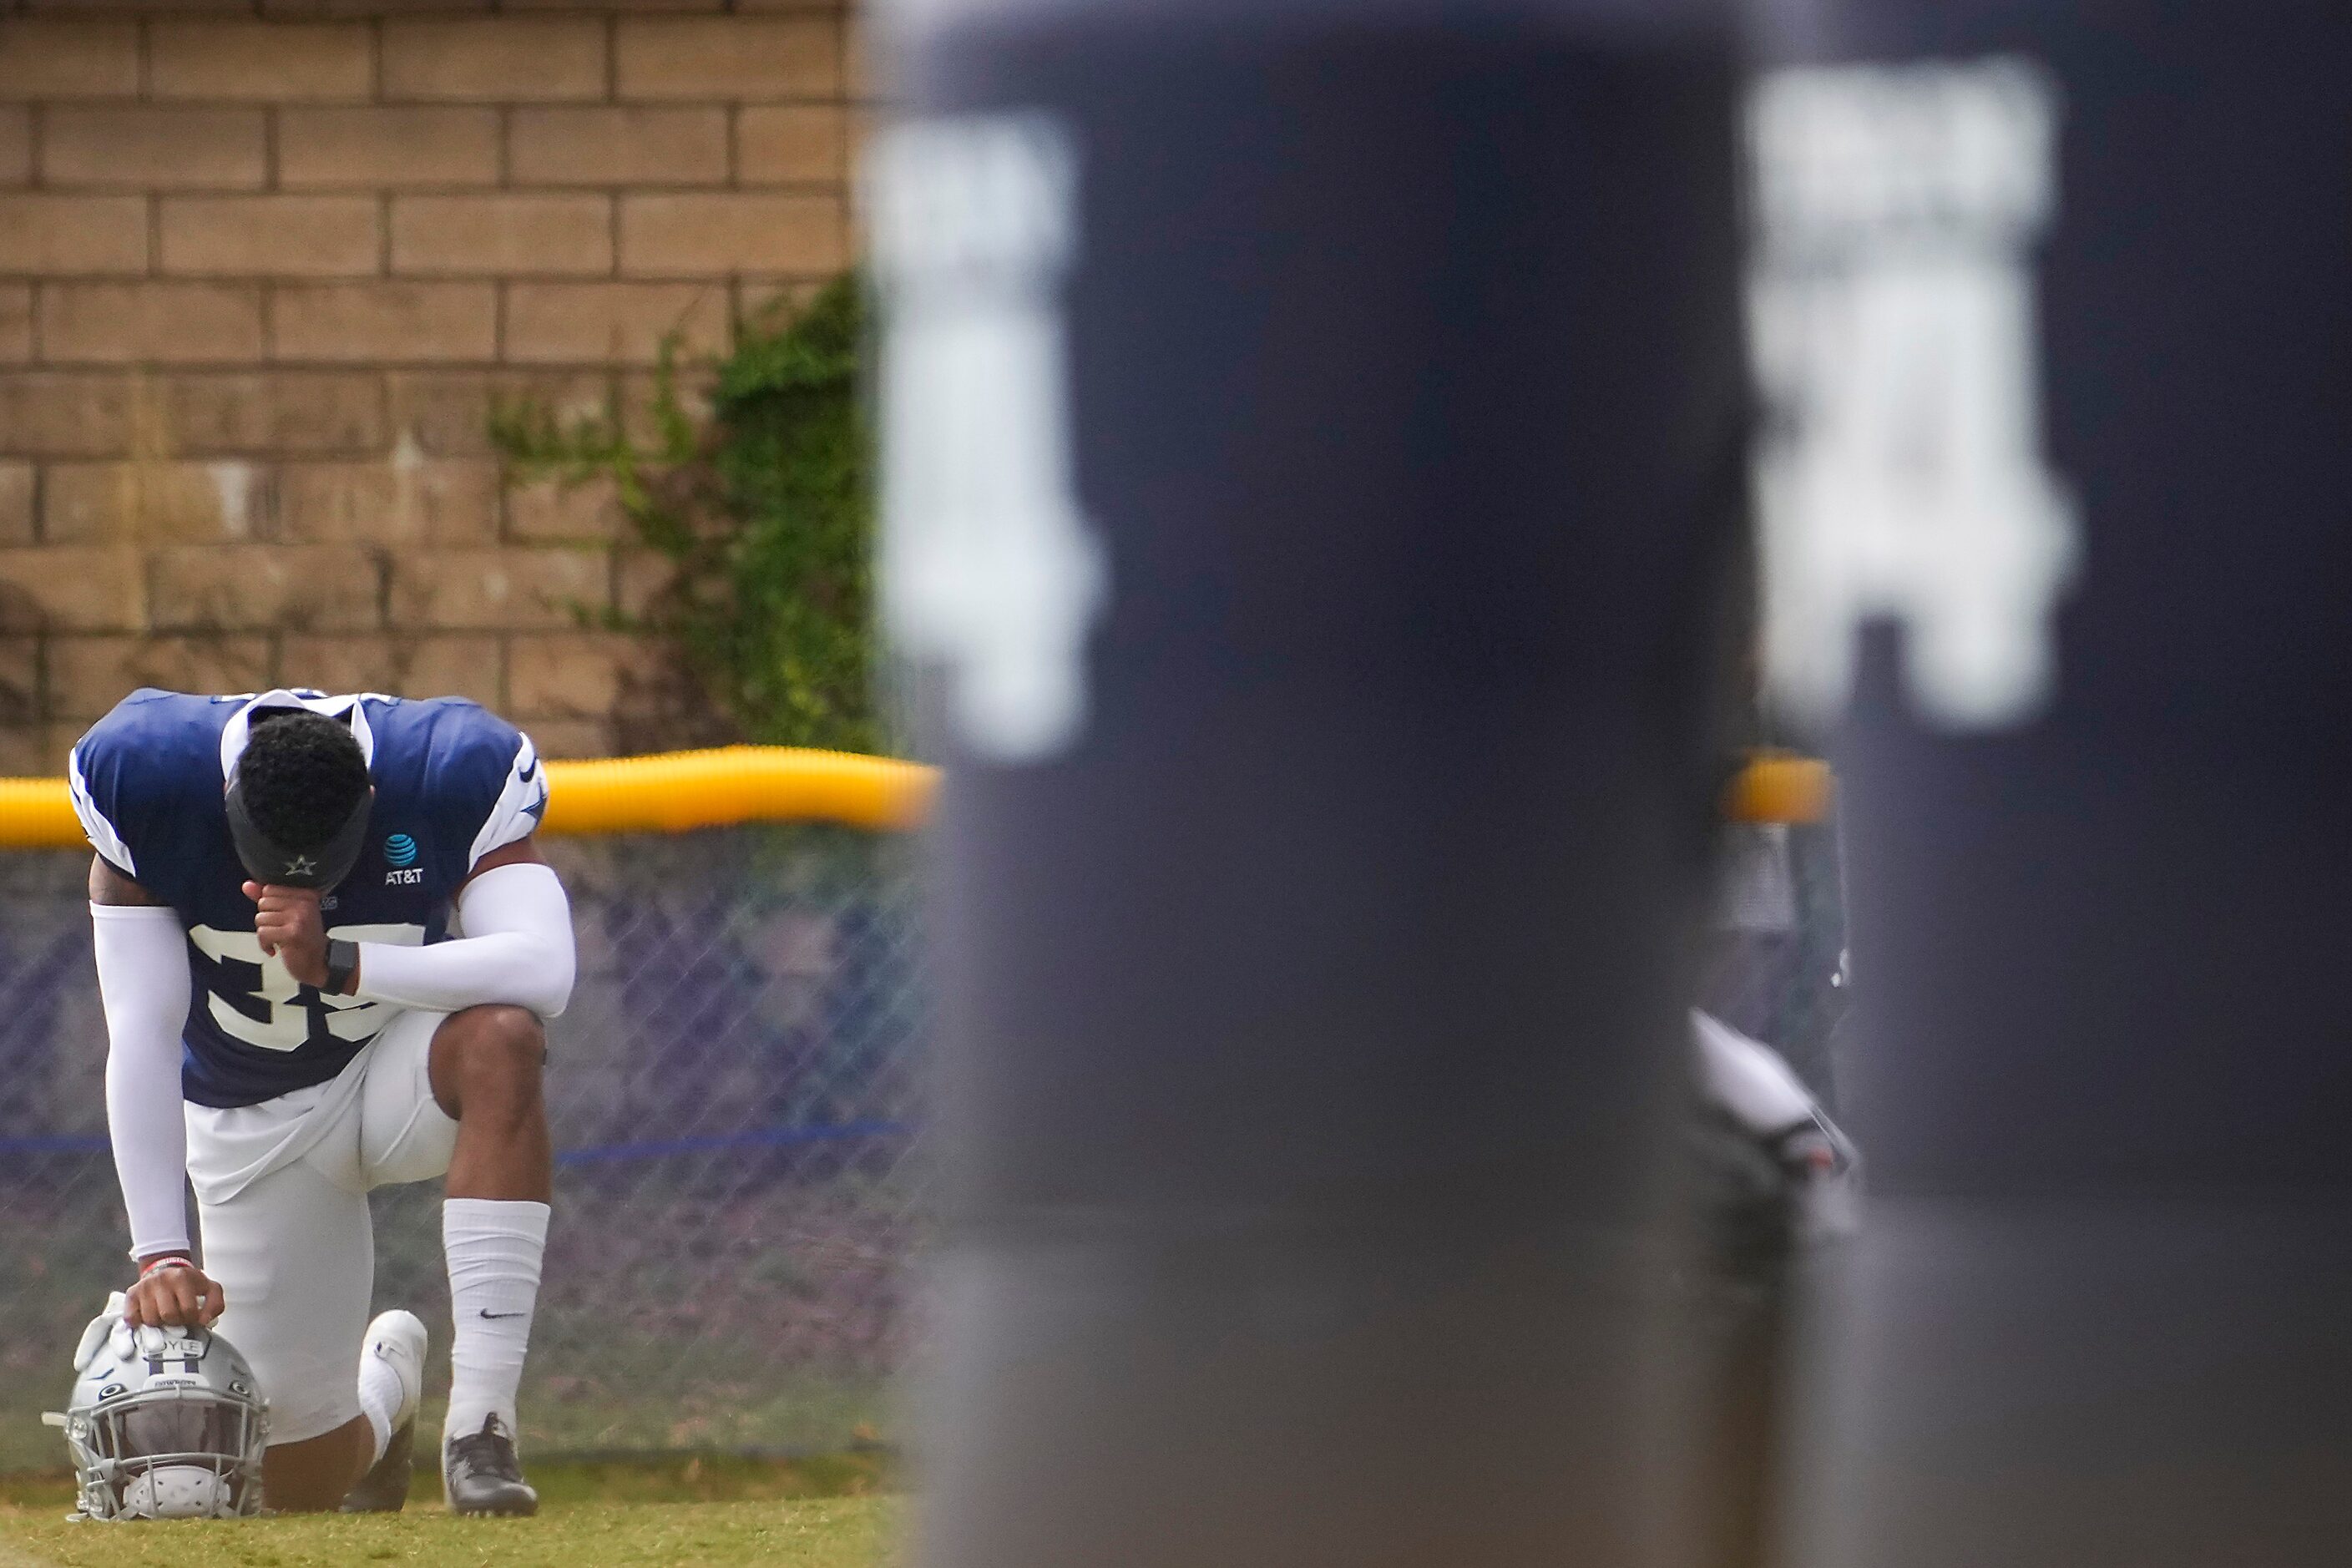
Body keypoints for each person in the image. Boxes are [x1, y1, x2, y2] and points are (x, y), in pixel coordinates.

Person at [69, 687, 576, 1516]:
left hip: (398, 1069)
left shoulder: (447, 767)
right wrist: (160, 1250)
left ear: (373, 805)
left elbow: (546, 967)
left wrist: (339, 963)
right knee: (295, 1485)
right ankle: (390, 1387)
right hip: (251, 1116)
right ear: (226, 797)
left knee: (503, 1038)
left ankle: (481, 1429)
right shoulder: (145, 776)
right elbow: (142, 1030)